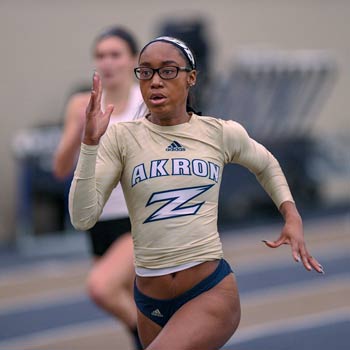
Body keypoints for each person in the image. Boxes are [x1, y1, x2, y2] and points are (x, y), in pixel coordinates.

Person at [69, 36, 324, 350]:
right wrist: (90, 144)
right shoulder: (121, 137)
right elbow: (83, 218)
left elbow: (265, 163)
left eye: (168, 71)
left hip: (209, 290)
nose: (156, 81)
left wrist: (291, 214)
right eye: (146, 72)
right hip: (150, 300)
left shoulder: (217, 132)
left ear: (191, 78)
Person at [53, 26, 143, 349]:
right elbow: (61, 169)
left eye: (115, 54)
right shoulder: (82, 104)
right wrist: (80, 127)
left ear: (133, 59)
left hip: (140, 220)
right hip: (98, 220)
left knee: (101, 287)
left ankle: (160, 340)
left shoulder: (146, 100)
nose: (107, 62)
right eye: (100, 55)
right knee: (135, 301)